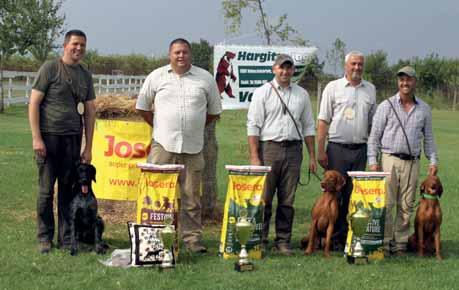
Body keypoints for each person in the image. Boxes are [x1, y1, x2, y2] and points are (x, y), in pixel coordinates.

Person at [136, 38, 222, 253]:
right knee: (156, 194)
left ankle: (192, 240)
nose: (181, 56)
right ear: (169, 55)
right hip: (163, 144)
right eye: (177, 52)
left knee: (192, 197)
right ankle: (154, 237)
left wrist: (194, 126)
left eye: (184, 52)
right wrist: (159, 125)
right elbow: (143, 107)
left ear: (190, 55)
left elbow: (213, 112)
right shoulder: (156, 76)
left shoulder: (205, 78)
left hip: (193, 147)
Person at [29, 30, 96, 254]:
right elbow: (33, 103)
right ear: (65, 45)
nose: (79, 49)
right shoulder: (50, 68)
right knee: (46, 192)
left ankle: (67, 238)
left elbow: (89, 111)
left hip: (72, 141)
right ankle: (44, 237)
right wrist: (37, 137)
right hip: (48, 138)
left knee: (68, 191)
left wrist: (88, 146)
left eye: (83, 46)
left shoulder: (85, 75)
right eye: (75, 44)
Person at [247, 54, 317, 255]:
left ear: (293, 70)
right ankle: (260, 239)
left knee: (287, 200)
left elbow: (309, 126)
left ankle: (283, 241)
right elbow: (253, 125)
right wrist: (254, 156)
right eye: (281, 68)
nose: (285, 72)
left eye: (289, 68)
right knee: (265, 199)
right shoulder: (262, 93)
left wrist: (312, 156)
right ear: (274, 69)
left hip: (294, 150)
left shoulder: (301, 94)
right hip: (269, 148)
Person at [368, 66, 438, 255]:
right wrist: (373, 161)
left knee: (406, 204)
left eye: (408, 80)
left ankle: (400, 244)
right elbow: (374, 136)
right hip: (389, 159)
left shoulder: (424, 109)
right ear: (398, 82)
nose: (405, 83)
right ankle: (385, 242)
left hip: (412, 162)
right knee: (387, 203)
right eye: (401, 80)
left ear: (415, 82)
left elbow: (429, 138)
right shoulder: (386, 106)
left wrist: (433, 161)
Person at [317, 51, 376, 250]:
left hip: (360, 150)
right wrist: (320, 149)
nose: (357, 68)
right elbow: (323, 120)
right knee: (334, 195)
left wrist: (372, 153)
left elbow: (373, 125)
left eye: (360, 64)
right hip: (336, 149)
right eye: (353, 64)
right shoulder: (333, 88)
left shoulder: (371, 90)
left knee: (353, 196)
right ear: (346, 66)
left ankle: (345, 237)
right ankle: (329, 238)